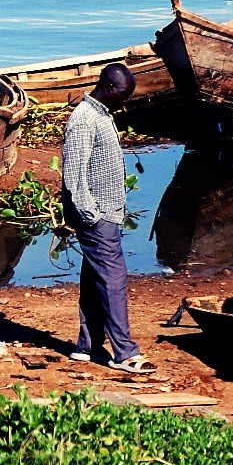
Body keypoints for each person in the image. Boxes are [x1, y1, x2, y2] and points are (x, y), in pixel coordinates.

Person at [61, 63, 152, 374]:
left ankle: (87, 346)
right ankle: (124, 353)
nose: (124, 102)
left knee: (94, 279)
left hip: (105, 214)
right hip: (96, 216)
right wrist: (92, 215)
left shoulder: (101, 114)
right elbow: (74, 176)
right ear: (109, 87)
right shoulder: (84, 120)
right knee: (114, 280)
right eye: (122, 95)